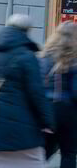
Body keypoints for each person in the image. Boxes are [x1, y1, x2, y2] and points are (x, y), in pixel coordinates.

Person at [0, 14, 54, 168]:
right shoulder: (27, 57)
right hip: (24, 135)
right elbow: (37, 95)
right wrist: (49, 122)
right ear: (27, 31)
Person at [40, 21, 77, 168]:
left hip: (47, 111)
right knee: (69, 153)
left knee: (43, 153)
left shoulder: (44, 58)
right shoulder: (74, 60)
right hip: (69, 113)